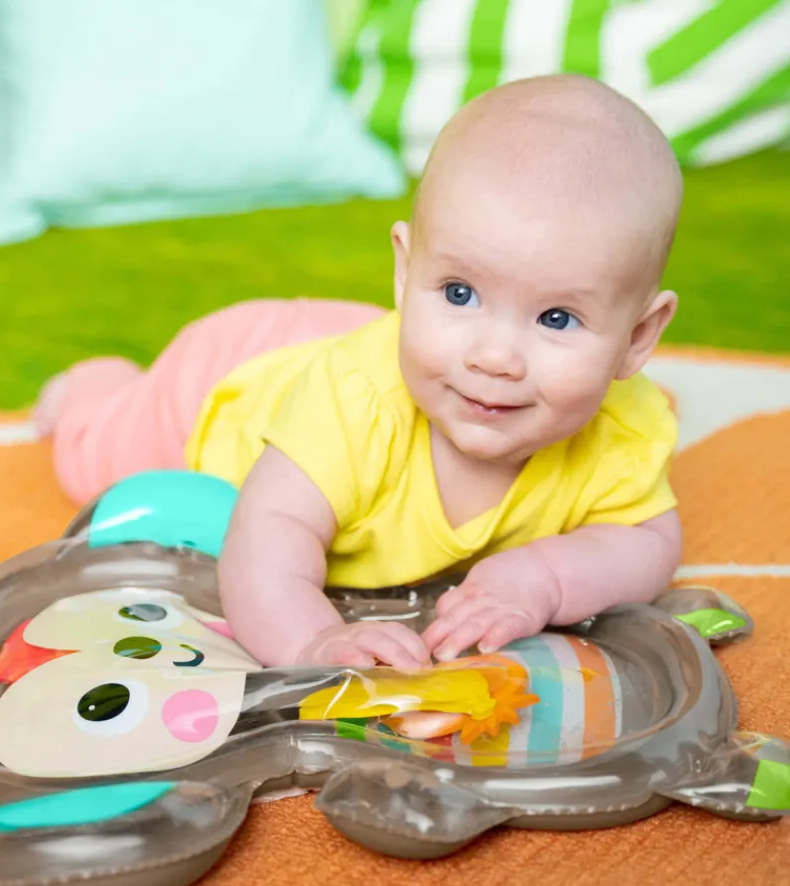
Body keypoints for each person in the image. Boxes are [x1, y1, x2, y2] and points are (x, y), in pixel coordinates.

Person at [36, 74, 683, 671]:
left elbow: (649, 542)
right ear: (406, 271)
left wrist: (543, 577)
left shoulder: (623, 427)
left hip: (367, 343)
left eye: (557, 319)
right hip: (223, 381)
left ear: (638, 337)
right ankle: (93, 386)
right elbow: (265, 538)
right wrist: (313, 641)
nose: (494, 358)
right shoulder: (350, 407)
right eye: (458, 292)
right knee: (93, 456)